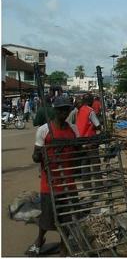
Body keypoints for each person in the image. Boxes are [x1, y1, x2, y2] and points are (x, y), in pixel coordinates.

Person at [26, 96, 78, 256]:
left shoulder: (73, 130)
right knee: (47, 216)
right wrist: (41, 155)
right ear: (55, 110)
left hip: (68, 181)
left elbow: (77, 152)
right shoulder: (44, 130)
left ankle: (64, 246)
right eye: (61, 109)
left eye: (67, 109)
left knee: (68, 217)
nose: (64, 112)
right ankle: (40, 239)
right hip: (50, 181)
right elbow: (35, 156)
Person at [76, 94, 102, 190]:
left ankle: (87, 186)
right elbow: (97, 124)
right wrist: (99, 129)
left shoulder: (80, 110)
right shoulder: (90, 111)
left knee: (84, 164)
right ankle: (99, 186)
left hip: (81, 140)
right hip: (90, 140)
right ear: (91, 101)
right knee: (95, 163)